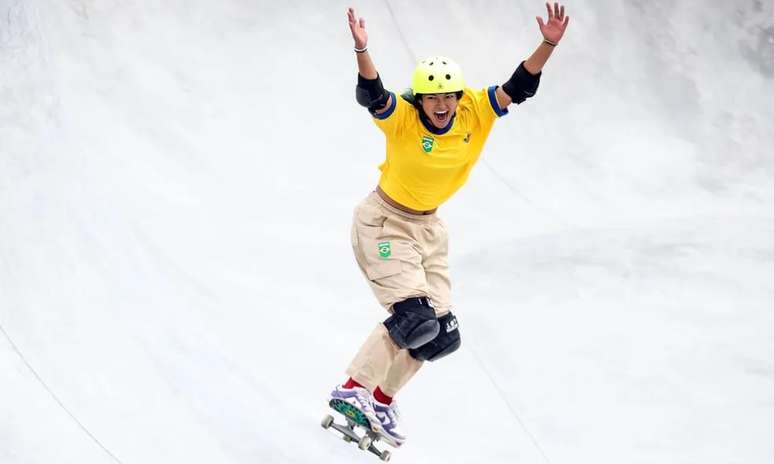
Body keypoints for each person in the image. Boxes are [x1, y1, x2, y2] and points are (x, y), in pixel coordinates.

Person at [329, 3, 570, 446]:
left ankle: (381, 397)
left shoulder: (475, 111)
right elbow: (373, 95)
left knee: (439, 335)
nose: (440, 106)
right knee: (412, 317)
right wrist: (362, 49)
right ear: (419, 100)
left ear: (458, 97)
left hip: (428, 232)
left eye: (447, 97)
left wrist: (549, 43)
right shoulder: (401, 120)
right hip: (384, 224)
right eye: (431, 99)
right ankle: (352, 389)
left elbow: (521, 85)